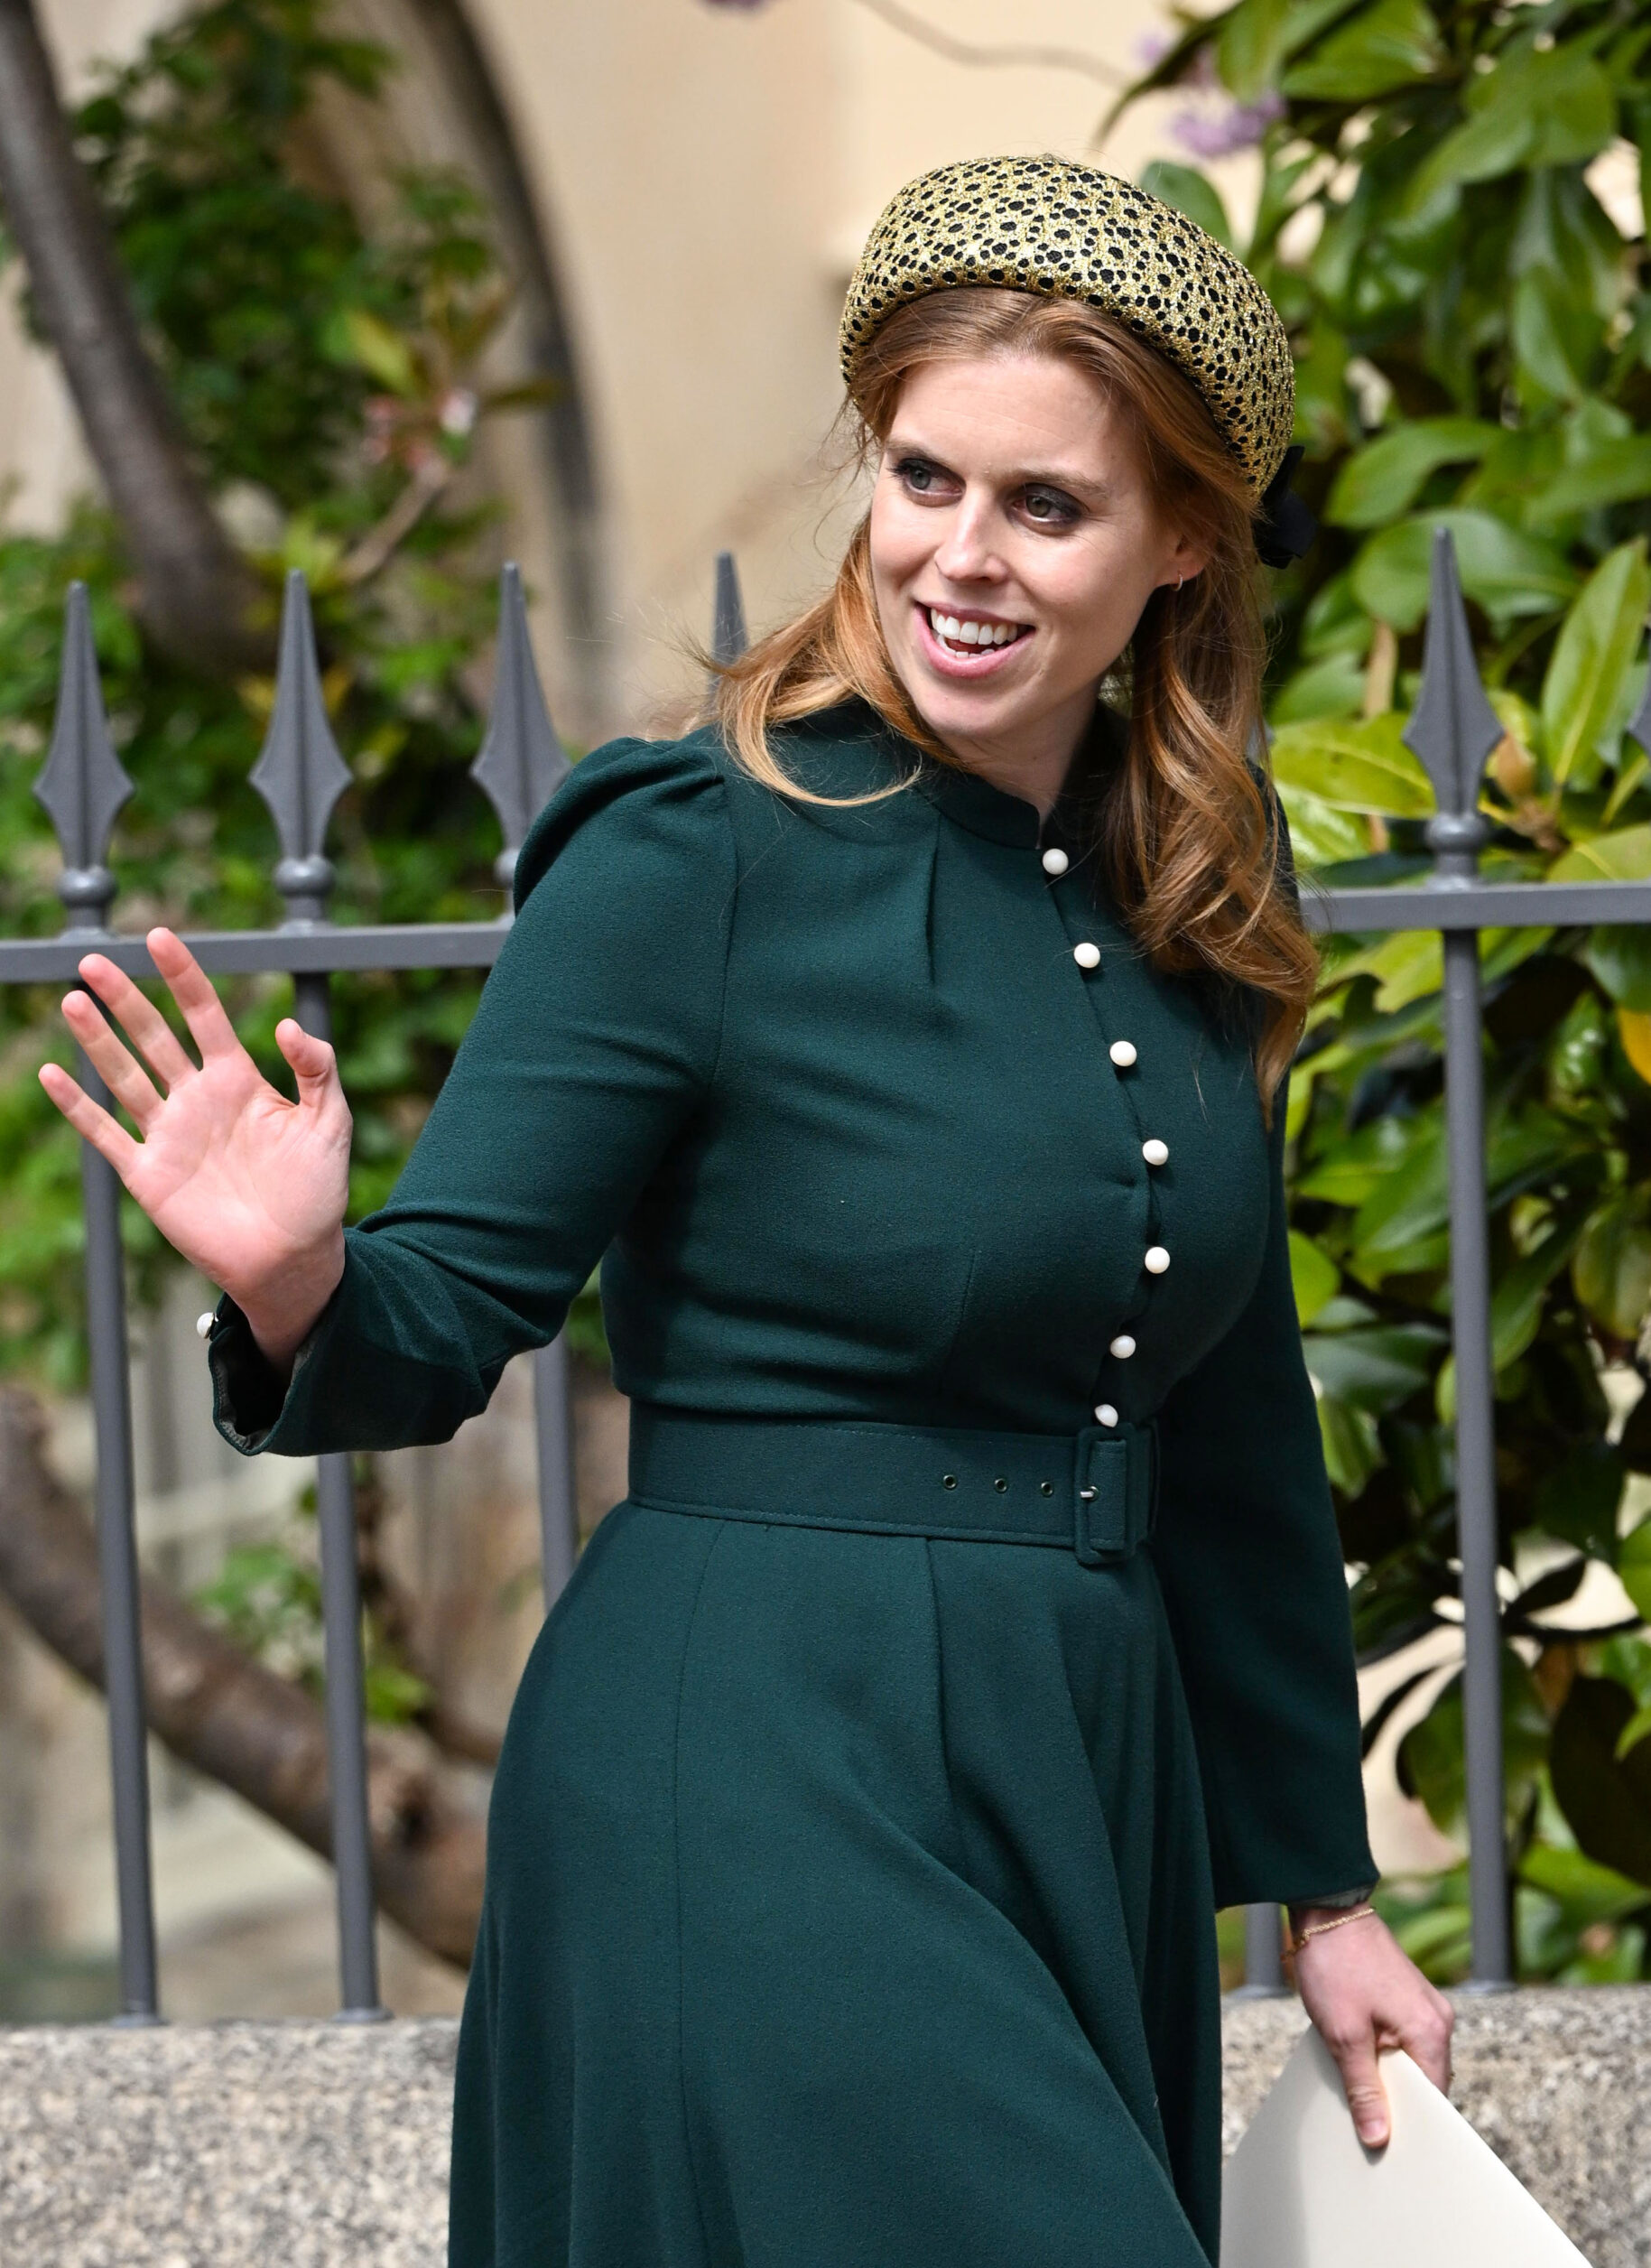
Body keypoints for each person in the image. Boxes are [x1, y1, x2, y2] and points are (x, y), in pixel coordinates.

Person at [40, 154, 1452, 2267]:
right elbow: (444, 1315)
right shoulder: (694, 847)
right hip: (756, 1760)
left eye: (1043, 506)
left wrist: (1323, 1894)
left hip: (1082, 1777)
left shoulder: (1200, 926)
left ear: (1176, 545)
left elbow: (1227, 1434)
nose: (959, 557)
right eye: (923, 476)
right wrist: (300, 1270)